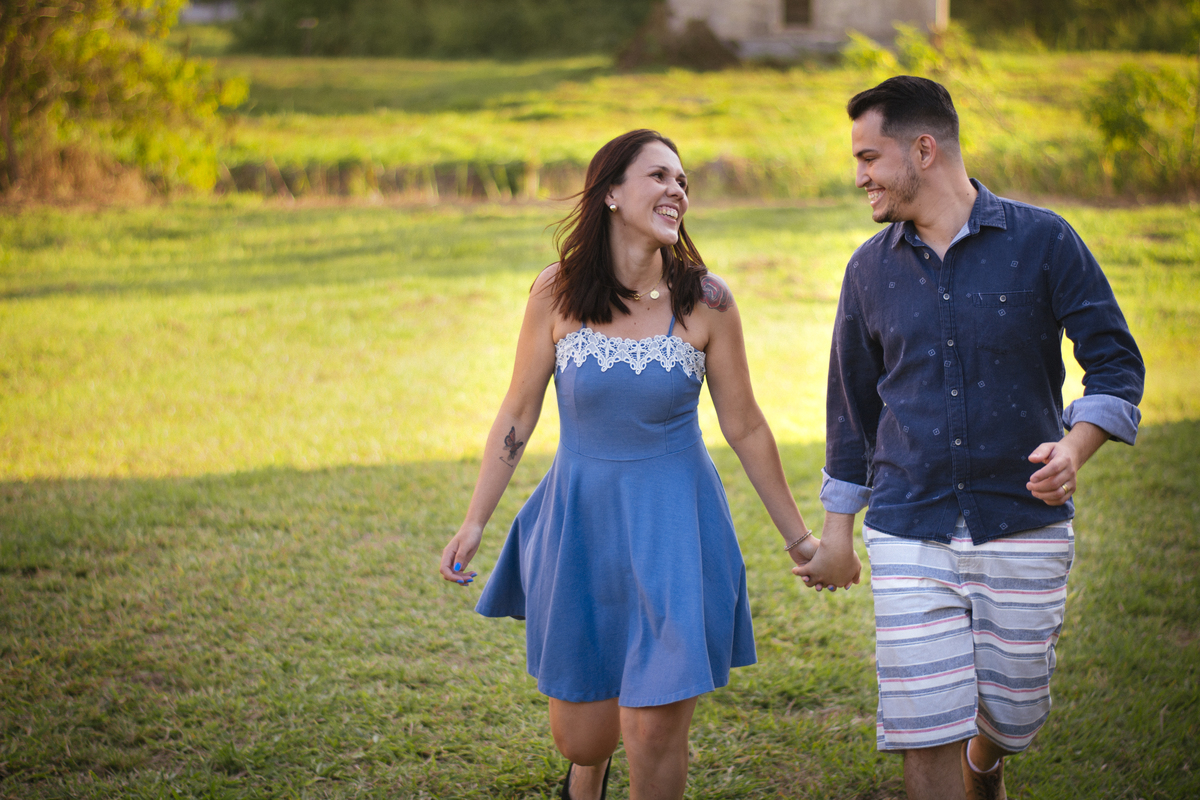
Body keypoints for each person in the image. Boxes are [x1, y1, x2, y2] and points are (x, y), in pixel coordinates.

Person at [439, 129, 826, 800]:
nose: (677, 189)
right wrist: (476, 520)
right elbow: (518, 414)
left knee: (651, 733)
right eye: (660, 176)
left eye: (683, 181)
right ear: (612, 193)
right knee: (582, 736)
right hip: (581, 521)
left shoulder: (708, 301)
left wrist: (800, 538)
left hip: (676, 524)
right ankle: (585, 775)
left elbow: (746, 425)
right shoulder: (554, 293)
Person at [795, 77, 1145, 800]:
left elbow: (1115, 362)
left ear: (924, 149)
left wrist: (1075, 447)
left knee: (1015, 712)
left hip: (1022, 518)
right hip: (907, 524)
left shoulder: (1044, 241)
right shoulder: (867, 270)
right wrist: (837, 533)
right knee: (924, 727)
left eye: (869, 156)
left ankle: (989, 759)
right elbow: (851, 410)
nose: (859, 175)